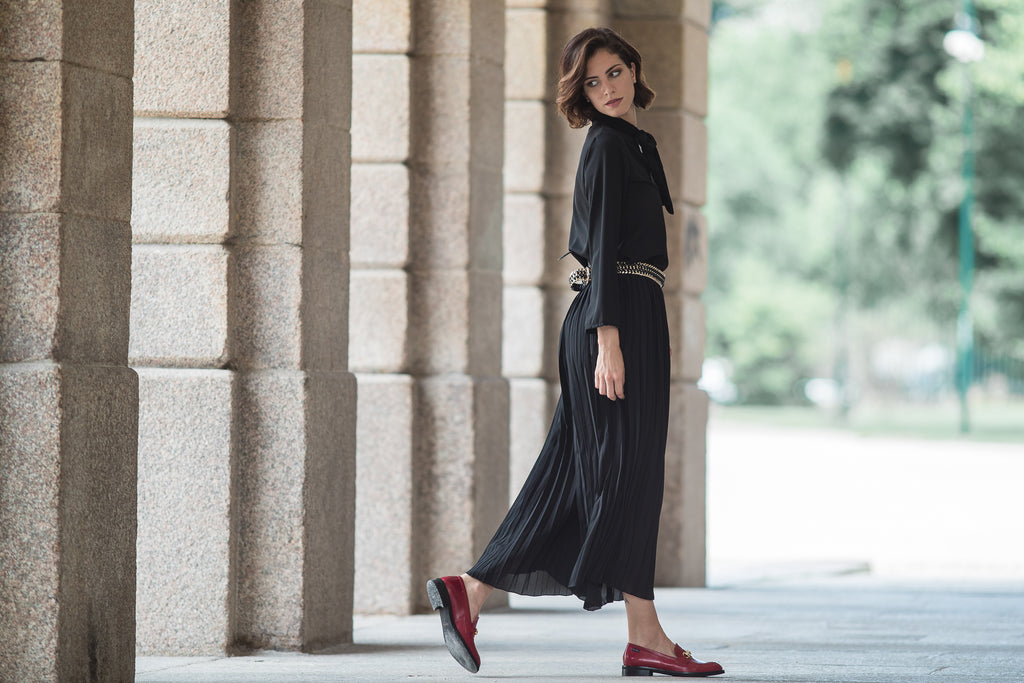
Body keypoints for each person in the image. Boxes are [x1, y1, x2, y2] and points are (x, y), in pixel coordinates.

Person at [426, 27, 724, 679]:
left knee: (584, 473)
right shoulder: (608, 144)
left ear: (633, 69)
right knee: (626, 476)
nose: (607, 88)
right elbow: (603, 243)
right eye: (592, 82)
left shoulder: (635, 142)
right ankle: (641, 635)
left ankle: (474, 593)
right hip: (612, 320)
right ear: (581, 94)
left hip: (633, 313)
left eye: (614, 72)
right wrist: (608, 341)